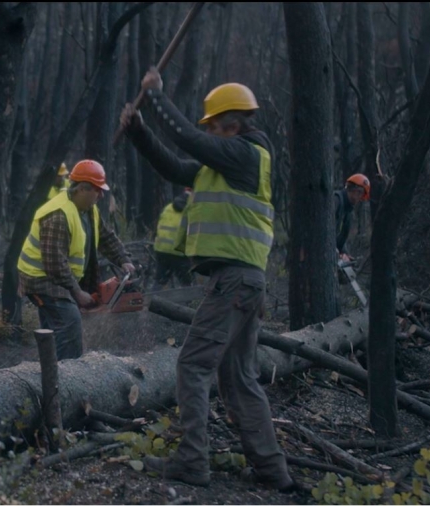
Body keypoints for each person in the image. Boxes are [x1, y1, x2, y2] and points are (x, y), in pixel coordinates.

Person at [119, 69, 295, 492]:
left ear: (230, 125)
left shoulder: (246, 154)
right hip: (243, 283)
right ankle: (272, 471)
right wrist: (139, 132)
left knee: (193, 365)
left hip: (234, 282)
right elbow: (176, 166)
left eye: (213, 127)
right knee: (238, 377)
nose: (209, 135)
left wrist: (155, 97)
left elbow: (190, 141)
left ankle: (193, 461)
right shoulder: (222, 164)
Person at [17, 160, 137, 360]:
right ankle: (69, 372)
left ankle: (49, 370)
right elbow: (55, 264)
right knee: (70, 322)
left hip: (57, 277)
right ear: (82, 189)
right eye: (97, 190)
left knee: (53, 328)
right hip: (40, 279)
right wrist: (77, 292)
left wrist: (123, 259)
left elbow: (106, 236)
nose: (101, 196)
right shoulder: (58, 215)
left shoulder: (88, 209)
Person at [152, 189, 194, 290]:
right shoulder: (193, 209)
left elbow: (157, 227)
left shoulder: (168, 207)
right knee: (187, 284)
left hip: (161, 250)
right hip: (179, 252)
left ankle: (151, 298)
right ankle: (189, 299)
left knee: (160, 282)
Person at [334, 173, 370, 262]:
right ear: (353, 189)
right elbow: (323, 229)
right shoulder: (336, 200)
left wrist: (345, 253)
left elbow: (341, 238)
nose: (360, 197)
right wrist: (333, 249)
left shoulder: (348, 211)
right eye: (360, 193)